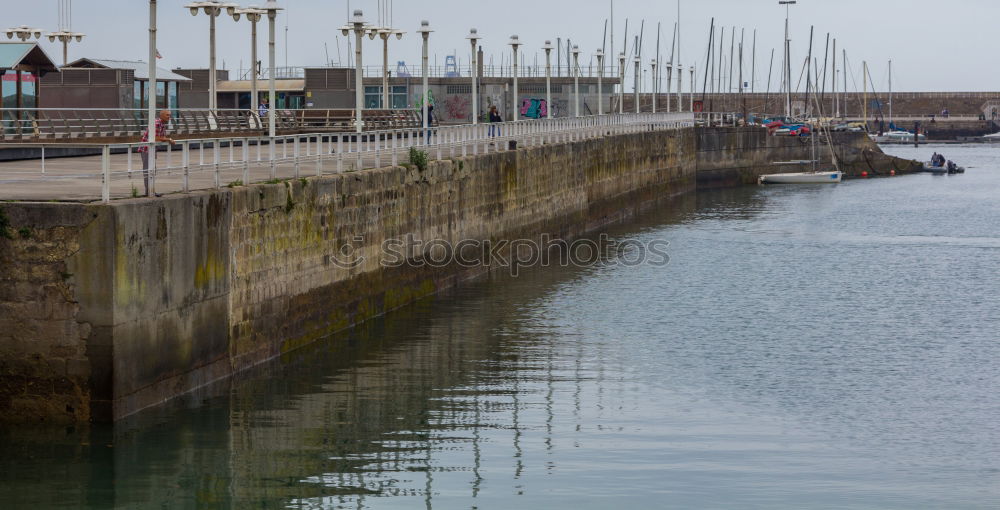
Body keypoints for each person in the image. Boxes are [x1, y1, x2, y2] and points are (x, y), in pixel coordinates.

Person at [138, 109, 174, 197]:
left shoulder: (162, 124)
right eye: (167, 115)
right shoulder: (157, 123)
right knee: (148, 170)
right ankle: (149, 192)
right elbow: (155, 137)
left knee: (152, 170)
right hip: (147, 149)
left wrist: (166, 139)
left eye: (169, 115)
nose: (169, 117)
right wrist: (169, 139)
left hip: (152, 149)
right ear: (161, 115)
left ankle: (151, 191)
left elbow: (161, 136)